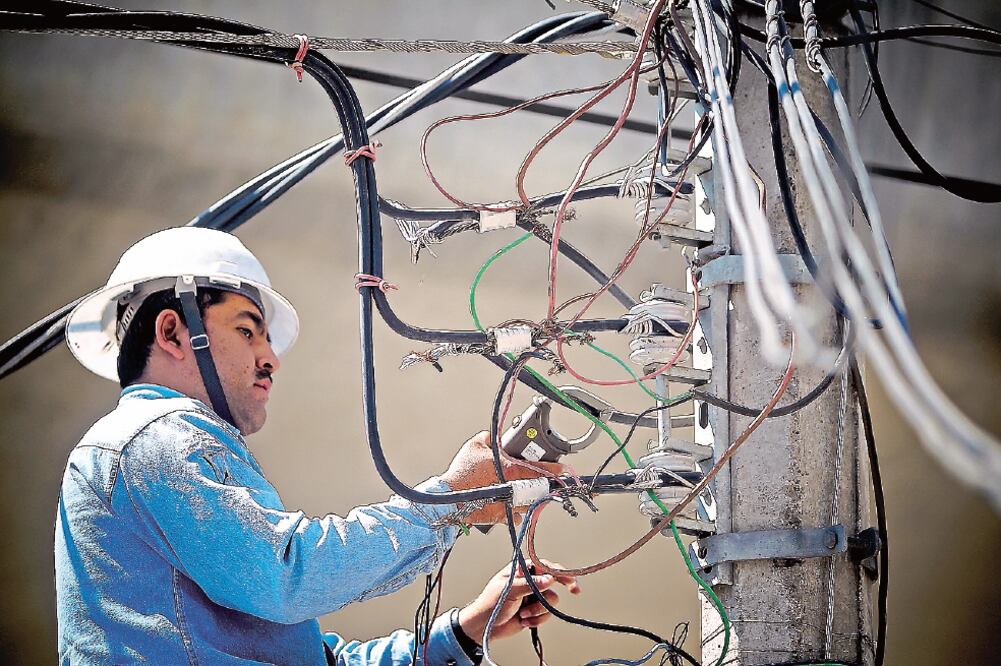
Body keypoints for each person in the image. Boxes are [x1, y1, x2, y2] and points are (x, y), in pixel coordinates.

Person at [56, 227, 580, 665]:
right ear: (172, 332)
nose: (270, 359)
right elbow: (285, 577)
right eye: (247, 331)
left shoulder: (166, 459)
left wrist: (464, 631)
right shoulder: (153, 436)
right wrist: (449, 500)